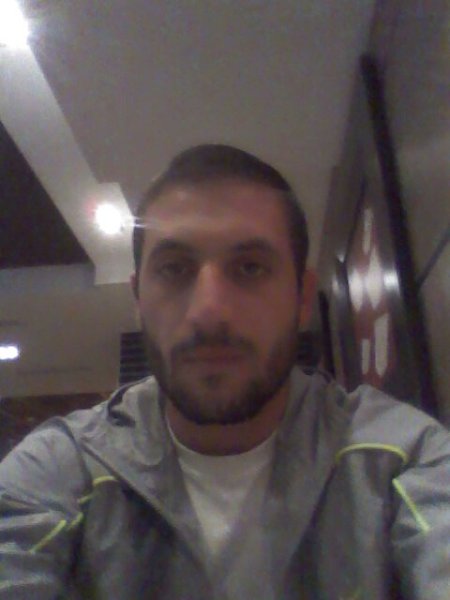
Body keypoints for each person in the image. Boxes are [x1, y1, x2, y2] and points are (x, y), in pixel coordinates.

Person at [0, 145, 449, 600]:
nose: (209, 311)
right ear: (138, 300)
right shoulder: (59, 470)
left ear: (301, 298)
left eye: (250, 268)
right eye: (175, 269)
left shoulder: (403, 457)